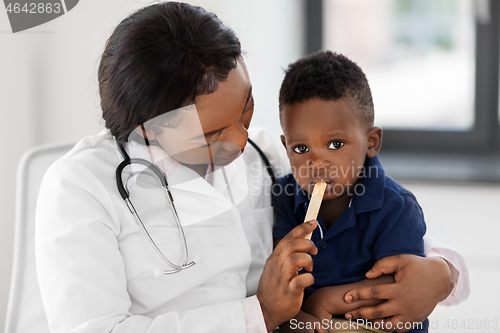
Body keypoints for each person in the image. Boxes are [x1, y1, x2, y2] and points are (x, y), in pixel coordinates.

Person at [35, 3, 468, 333]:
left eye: (246, 111)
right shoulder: (80, 188)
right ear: (147, 132)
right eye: (212, 135)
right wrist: (257, 313)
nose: (241, 141)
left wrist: (443, 274)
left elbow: (380, 220)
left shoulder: (267, 154)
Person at [273, 51, 433, 332]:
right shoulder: (283, 198)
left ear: (371, 142)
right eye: (301, 149)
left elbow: (400, 286)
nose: (317, 163)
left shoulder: (395, 206)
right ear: (286, 146)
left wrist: (323, 303)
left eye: (335, 144)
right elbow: (282, 289)